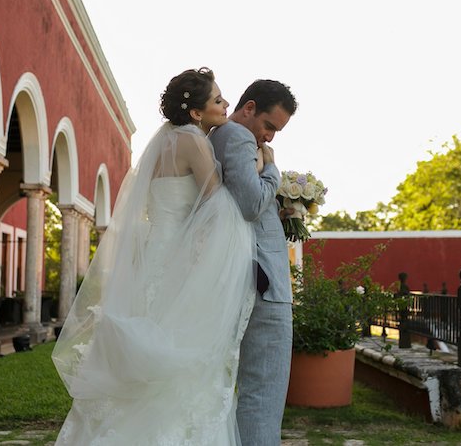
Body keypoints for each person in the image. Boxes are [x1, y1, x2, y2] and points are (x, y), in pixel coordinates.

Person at [52, 68, 257, 445]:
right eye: (217, 99)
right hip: (180, 257)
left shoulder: (162, 143)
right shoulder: (194, 144)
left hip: (154, 255)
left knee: (150, 345)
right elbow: (218, 206)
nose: (225, 104)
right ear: (196, 113)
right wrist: (256, 170)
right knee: (181, 350)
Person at [209, 79, 298, 446]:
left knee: (257, 389)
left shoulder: (219, 136)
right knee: (264, 390)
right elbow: (249, 203)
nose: (270, 138)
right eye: (270, 126)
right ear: (249, 108)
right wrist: (273, 171)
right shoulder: (238, 136)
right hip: (263, 280)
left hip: (247, 273)